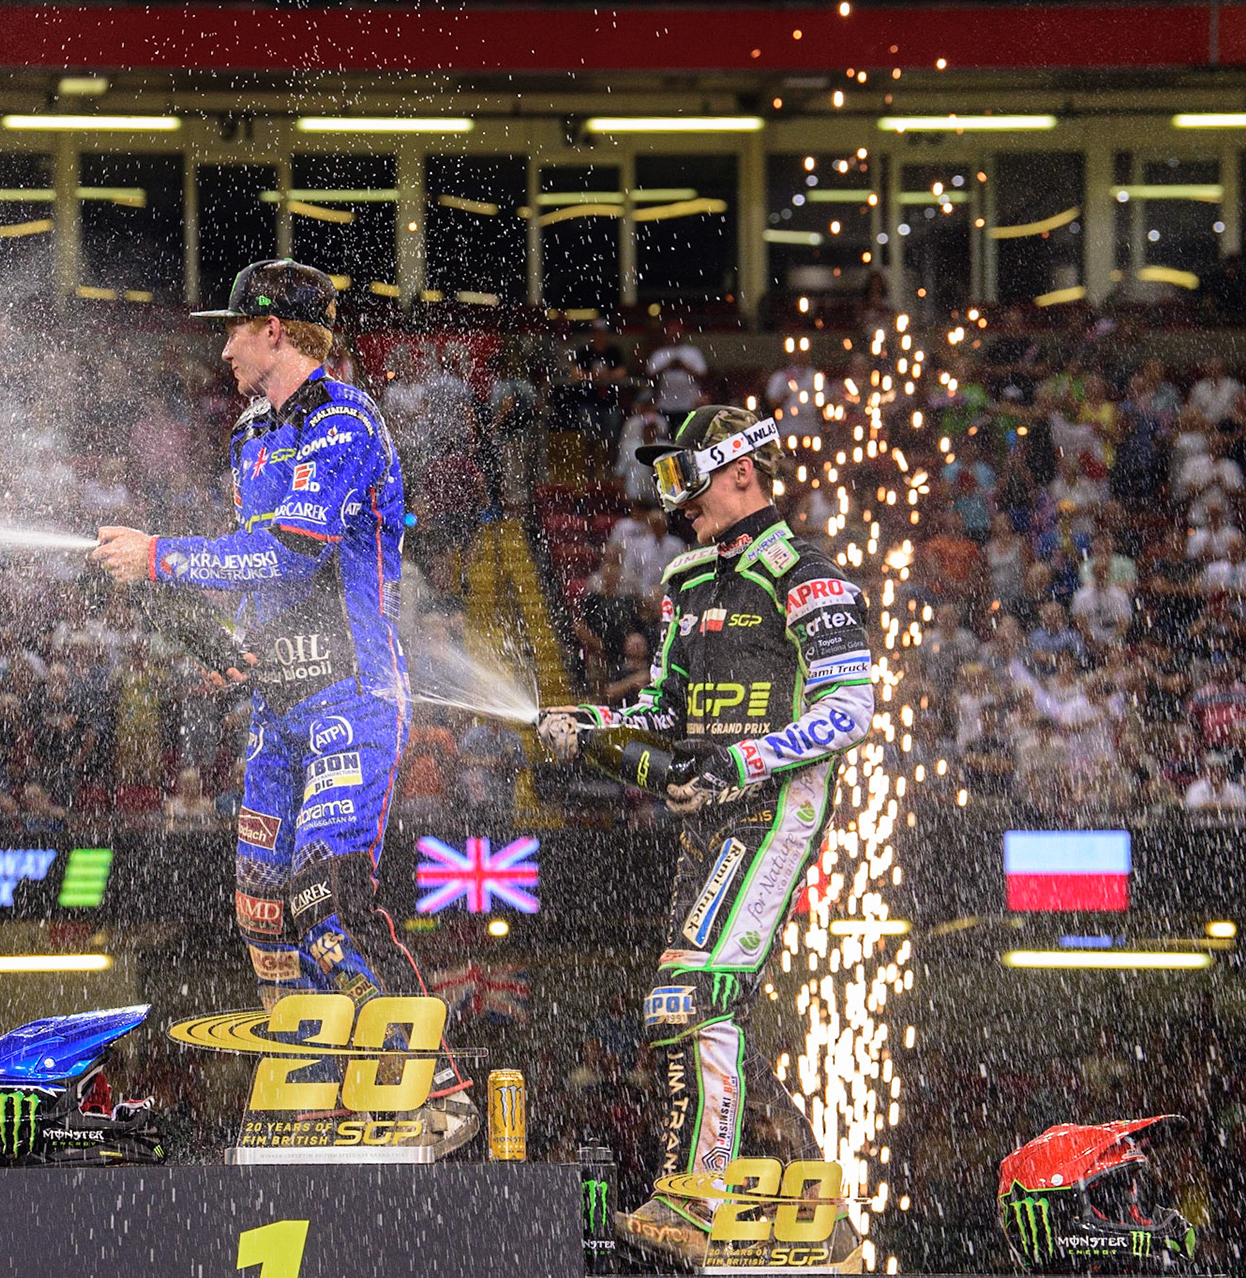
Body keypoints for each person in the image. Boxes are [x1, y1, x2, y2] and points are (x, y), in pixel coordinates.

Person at [92, 258, 477, 1155]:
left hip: (352, 698)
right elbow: (253, 567)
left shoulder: (346, 420)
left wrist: (160, 558)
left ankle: (439, 1090)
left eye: (230, 328)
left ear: (274, 331)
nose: (220, 346)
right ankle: (315, 1099)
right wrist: (221, 644)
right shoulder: (248, 434)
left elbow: (294, 554)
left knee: (327, 900)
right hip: (279, 707)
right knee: (261, 908)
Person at [534, 405, 874, 1268]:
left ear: (740, 472)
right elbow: (666, 709)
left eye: (685, 476)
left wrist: (745, 762)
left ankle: (698, 1197)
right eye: (666, 478)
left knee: (693, 994)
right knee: (694, 1010)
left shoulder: (809, 578)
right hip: (708, 821)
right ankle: (814, 1196)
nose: (672, 497)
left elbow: (850, 711)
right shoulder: (686, 578)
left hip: (779, 809)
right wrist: (594, 722)